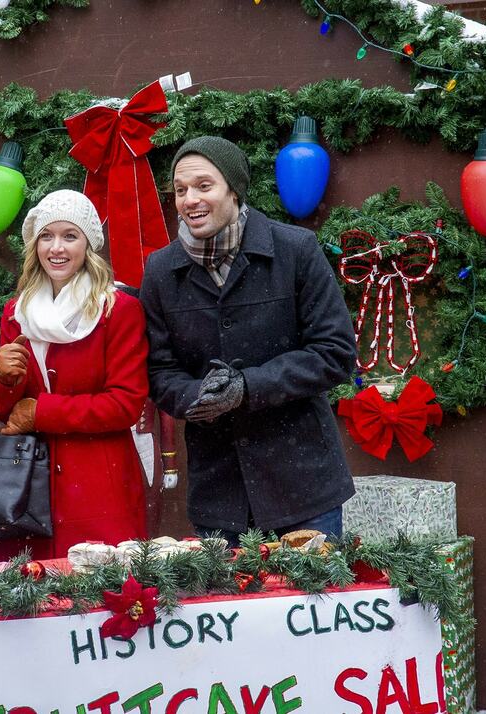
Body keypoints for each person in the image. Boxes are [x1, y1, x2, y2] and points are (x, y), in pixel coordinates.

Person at [139, 136, 357, 547]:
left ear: (234, 189)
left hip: (304, 487)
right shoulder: (161, 270)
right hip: (220, 497)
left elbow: (335, 352)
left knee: (313, 605)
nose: (190, 199)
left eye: (205, 186)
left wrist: (248, 387)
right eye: (181, 190)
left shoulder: (295, 250)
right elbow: (159, 370)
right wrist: (196, 396)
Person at [0, 190, 149, 562]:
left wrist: (42, 413)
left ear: (88, 245)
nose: (56, 248)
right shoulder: (18, 312)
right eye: (47, 236)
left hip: (99, 490)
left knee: (102, 599)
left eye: (69, 236)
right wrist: (5, 379)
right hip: (30, 493)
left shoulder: (118, 310)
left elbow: (124, 404)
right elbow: (7, 415)